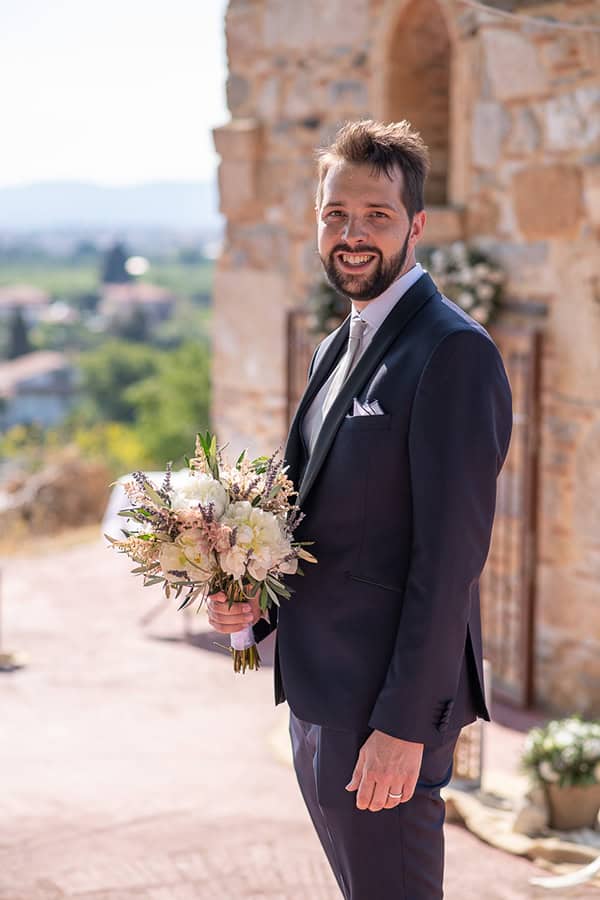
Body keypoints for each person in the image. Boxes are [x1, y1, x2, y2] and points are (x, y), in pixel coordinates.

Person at [208, 119, 513, 899]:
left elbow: (449, 564)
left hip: (385, 714)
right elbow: (309, 516)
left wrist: (405, 726)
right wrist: (251, 606)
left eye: (376, 215)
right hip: (318, 695)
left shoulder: (452, 351)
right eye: (335, 213)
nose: (351, 234)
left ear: (416, 225)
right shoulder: (336, 346)